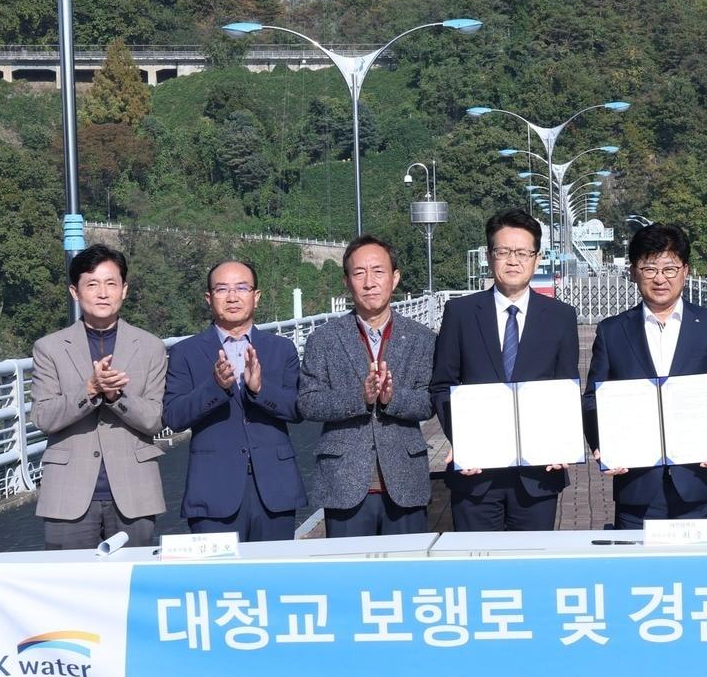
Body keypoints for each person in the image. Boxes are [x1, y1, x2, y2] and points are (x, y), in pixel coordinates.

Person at [583, 223, 707, 529]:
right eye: (649, 269)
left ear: (685, 271)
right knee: (638, 573)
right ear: (634, 272)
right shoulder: (612, 331)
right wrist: (602, 443)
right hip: (636, 485)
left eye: (670, 268)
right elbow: (593, 398)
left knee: (700, 573)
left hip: (700, 482)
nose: (660, 278)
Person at [431, 209, 579, 531]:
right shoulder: (461, 313)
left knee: (531, 568)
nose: (513, 260)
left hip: (539, 473)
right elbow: (442, 384)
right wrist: (462, 441)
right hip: (476, 474)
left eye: (523, 252)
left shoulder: (560, 317)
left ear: (537, 259)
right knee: (476, 567)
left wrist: (562, 441)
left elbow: (566, 387)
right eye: (503, 251)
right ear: (489, 256)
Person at [31, 245, 167, 549]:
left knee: (134, 587)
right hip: (68, 492)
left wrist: (117, 397)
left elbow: (155, 420)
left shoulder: (150, 346)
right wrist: (90, 390)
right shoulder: (49, 348)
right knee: (68, 589)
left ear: (124, 290)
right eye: (92, 284)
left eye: (111, 283)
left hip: (135, 490)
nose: (102, 293)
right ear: (75, 292)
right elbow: (43, 417)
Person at [298, 235, 435, 537]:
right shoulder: (324, 339)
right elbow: (308, 402)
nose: (369, 282)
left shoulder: (422, 338)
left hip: (405, 478)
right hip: (343, 483)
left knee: (406, 578)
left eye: (378, 271)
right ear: (347, 281)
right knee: (350, 579)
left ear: (395, 278)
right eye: (359, 273)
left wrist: (392, 398)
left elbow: (429, 401)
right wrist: (359, 397)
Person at [163, 260, 305, 541]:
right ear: (208, 298)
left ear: (256, 296)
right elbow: (173, 417)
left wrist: (260, 388)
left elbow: (298, 409)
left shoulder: (281, 349)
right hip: (213, 492)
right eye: (222, 289)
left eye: (242, 287)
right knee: (218, 583)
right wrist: (215, 387)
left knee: (273, 580)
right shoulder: (185, 352)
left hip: (275, 489)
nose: (232, 297)